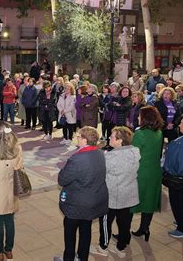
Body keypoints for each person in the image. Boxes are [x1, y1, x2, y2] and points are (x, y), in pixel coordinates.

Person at [57, 126, 108, 261]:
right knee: (86, 230)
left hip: (77, 204)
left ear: (85, 140)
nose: (77, 138)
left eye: (79, 136)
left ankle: (68, 258)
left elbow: (62, 179)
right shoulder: (100, 153)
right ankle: (82, 257)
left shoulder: (78, 159)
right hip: (93, 201)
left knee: (70, 233)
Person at [90, 127, 140, 259]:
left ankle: (103, 247)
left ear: (120, 141)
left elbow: (100, 174)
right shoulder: (135, 151)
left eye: (112, 137)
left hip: (112, 195)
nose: (109, 138)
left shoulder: (111, 157)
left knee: (106, 222)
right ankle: (121, 248)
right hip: (129, 194)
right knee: (124, 223)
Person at [0, 121, 23, 261]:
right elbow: (18, 166)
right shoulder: (17, 147)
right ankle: (9, 251)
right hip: (11, 189)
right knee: (9, 220)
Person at [130, 106, 164, 242]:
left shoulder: (140, 134)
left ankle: (124, 234)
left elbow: (133, 156)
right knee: (149, 201)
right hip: (154, 172)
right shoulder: (159, 132)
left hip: (141, 172)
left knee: (131, 202)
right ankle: (144, 228)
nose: (138, 118)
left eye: (139, 116)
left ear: (145, 118)